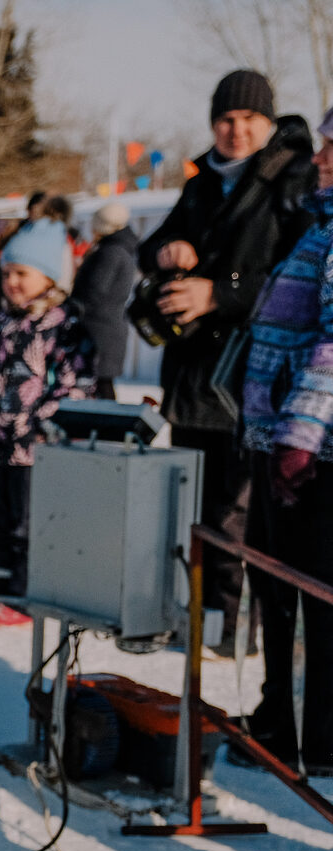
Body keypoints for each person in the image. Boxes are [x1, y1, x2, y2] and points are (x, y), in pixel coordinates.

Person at [139, 69, 316, 655]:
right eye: (226, 118)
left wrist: (221, 292)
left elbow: (298, 274)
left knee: (234, 510)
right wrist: (167, 249)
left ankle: (232, 631)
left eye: (248, 119)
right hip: (194, 376)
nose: (236, 130)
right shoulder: (201, 183)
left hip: (251, 379)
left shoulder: (289, 181)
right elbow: (146, 246)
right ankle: (197, 617)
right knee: (190, 504)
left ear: (268, 123)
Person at [234, 108, 333, 776]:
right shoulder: (320, 225)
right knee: (275, 589)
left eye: (332, 148)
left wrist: (297, 438)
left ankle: (320, 741)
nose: (320, 157)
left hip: (313, 456)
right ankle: (280, 723)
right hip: (281, 440)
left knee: (314, 601)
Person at [0, 220, 93, 626]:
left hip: (35, 450)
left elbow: (75, 386)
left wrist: (40, 425)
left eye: (22, 274)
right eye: (7, 274)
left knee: (26, 525)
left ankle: (25, 596)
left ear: (49, 277)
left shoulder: (65, 329)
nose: (11, 282)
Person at [68, 202, 138, 400]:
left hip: (98, 331)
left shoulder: (110, 252)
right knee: (102, 386)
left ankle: (108, 429)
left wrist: (70, 306)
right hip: (107, 328)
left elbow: (94, 290)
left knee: (101, 387)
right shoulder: (119, 249)